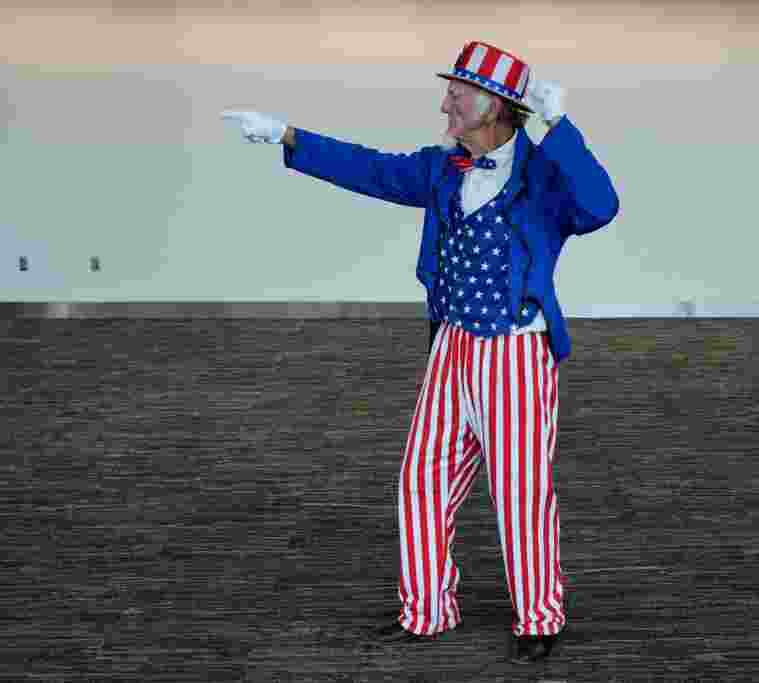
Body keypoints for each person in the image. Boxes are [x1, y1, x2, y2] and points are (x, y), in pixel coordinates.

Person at [221, 40, 619, 664]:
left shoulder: (545, 176)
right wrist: (286, 135)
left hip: (514, 352)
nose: (446, 105)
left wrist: (561, 125)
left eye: (457, 96)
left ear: (494, 107)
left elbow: (601, 206)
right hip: (450, 345)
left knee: (520, 489)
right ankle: (428, 610)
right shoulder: (441, 168)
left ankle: (539, 616)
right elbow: (370, 168)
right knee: (421, 481)